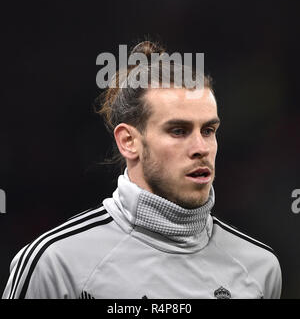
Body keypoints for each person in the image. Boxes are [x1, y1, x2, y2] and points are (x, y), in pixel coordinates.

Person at [2, 40, 282, 299]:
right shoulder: (56, 263)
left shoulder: (261, 267)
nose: (202, 147)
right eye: (178, 130)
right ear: (129, 142)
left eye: (208, 130)